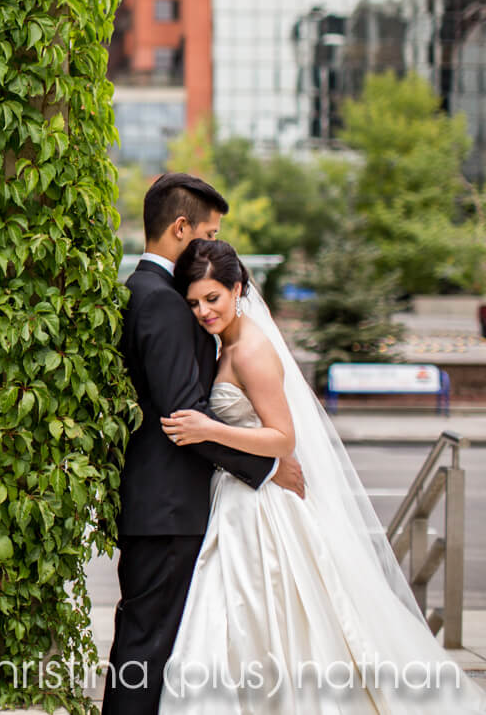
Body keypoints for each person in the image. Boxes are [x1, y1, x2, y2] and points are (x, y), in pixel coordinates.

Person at [159, 239, 486, 712]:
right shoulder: (224, 343)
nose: (204, 311)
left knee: (265, 607)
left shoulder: (250, 350)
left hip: (261, 506)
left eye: (212, 298)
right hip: (236, 494)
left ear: (236, 288)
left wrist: (209, 428)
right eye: (194, 303)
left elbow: (282, 438)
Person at [104, 173, 305, 715]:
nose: (212, 246)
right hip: (169, 508)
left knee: (152, 645)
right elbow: (182, 416)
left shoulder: (145, 292)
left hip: (164, 506)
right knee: (147, 647)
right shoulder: (164, 304)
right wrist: (266, 467)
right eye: (207, 232)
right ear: (180, 227)